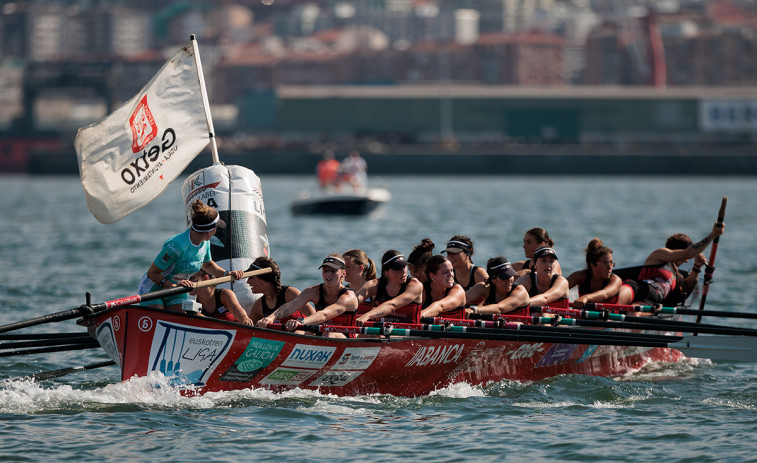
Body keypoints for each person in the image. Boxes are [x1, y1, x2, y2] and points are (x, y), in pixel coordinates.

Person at [137, 199, 243, 312]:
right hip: (154, 288)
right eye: (216, 227)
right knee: (159, 320)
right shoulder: (177, 245)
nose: (217, 230)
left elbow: (208, 265)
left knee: (179, 322)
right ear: (209, 231)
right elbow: (152, 273)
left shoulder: (205, 243)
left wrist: (227, 273)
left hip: (178, 289)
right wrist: (172, 286)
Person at [617, 222, 724, 306]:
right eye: (685, 257)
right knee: (614, 305)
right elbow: (689, 252)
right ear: (678, 251)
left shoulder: (677, 275)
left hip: (650, 301)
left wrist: (696, 267)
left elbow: (685, 289)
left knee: (636, 314)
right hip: (636, 288)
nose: (686, 261)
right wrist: (713, 234)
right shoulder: (659, 254)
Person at [256, 254, 358, 338]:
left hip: (345, 337)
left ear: (343, 273)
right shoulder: (313, 291)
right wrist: (270, 318)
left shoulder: (349, 297)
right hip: (322, 333)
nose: (328, 274)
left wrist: (301, 322)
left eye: (333, 271)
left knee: (328, 333)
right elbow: (290, 306)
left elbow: (324, 315)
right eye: (325, 271)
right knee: (298, 333)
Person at [355, 251, 423, 325]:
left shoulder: (415, 285)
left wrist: (367, 315)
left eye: (404, 267)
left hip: (408, 333)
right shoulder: (374, 285)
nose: (403, 271)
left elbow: (392, 305)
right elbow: (353, 301)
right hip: (383, 332)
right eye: (398, 268)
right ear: (386, 271)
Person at [246, 257, 307, 324]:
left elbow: (314, 317)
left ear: (264, 281)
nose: (247, 281)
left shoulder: (291, 294)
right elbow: (247, 330)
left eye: (251, 277)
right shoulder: (259, 306)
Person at [180, 269, 253, 325]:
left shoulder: (225, 294)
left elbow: (236, 309)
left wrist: (244, 318)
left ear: (206, 278)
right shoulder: (192, 305)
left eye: (192, 278)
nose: (188, 282)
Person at [465, 257, 530, 316]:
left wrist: (474, 310)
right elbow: (462, 301)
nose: (509, 280)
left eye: (511, 275)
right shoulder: (484, 288)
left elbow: (501, 308)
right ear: (493, 279)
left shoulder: (520, 291)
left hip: (520, 326)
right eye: (505, 277)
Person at [567, 238, 622, 305]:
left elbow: (605, 294)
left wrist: (586, 297)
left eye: (611, 262)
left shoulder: (616, 280)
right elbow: (561, 286)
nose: (610, 267)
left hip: (614, 311)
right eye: (605, 263)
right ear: (592, 265)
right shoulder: (581, 276)